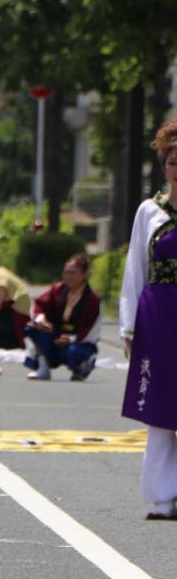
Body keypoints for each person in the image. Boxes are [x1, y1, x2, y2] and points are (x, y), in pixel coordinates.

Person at [119, 118, 177, 520]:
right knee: (160, 407)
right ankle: (162, 496)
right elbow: (135, 269)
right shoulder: (149, 211)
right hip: (159, 315)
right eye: (172, 160)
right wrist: (128, 324)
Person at [26, 253, 101, 381]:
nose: (68, 276)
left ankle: (83, 366)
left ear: (84, 274)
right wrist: (41, 320)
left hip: (78, 341)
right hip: (56, 336)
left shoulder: (93, 299)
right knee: (33, 328)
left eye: (73, 273)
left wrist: (71, 339)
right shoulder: (57, 290)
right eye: (66, 272)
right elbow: (39, 305)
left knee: (74, 352)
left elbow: (92, 329)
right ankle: (43, 368)